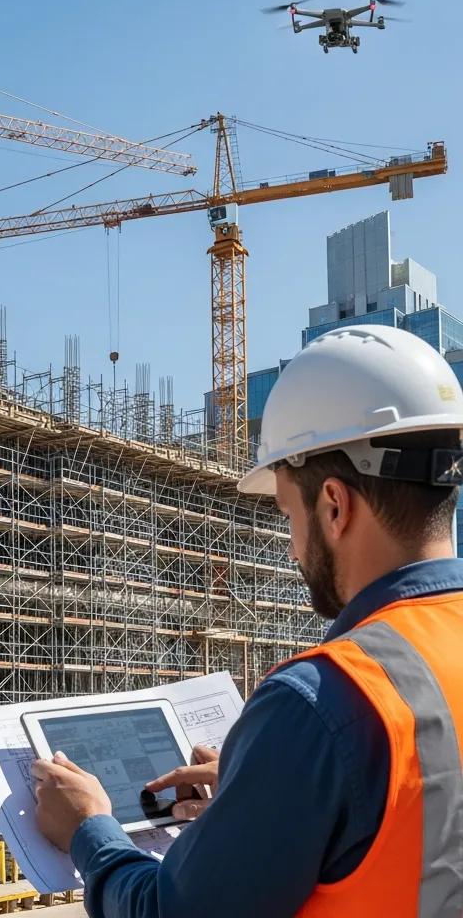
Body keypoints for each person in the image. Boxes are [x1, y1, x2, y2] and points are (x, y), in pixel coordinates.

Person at [32, 325, 463, 917]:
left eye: (289, 513)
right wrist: (266, 794)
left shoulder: (323, 703)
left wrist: (89, 829)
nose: (290, 546)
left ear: (334, 506)